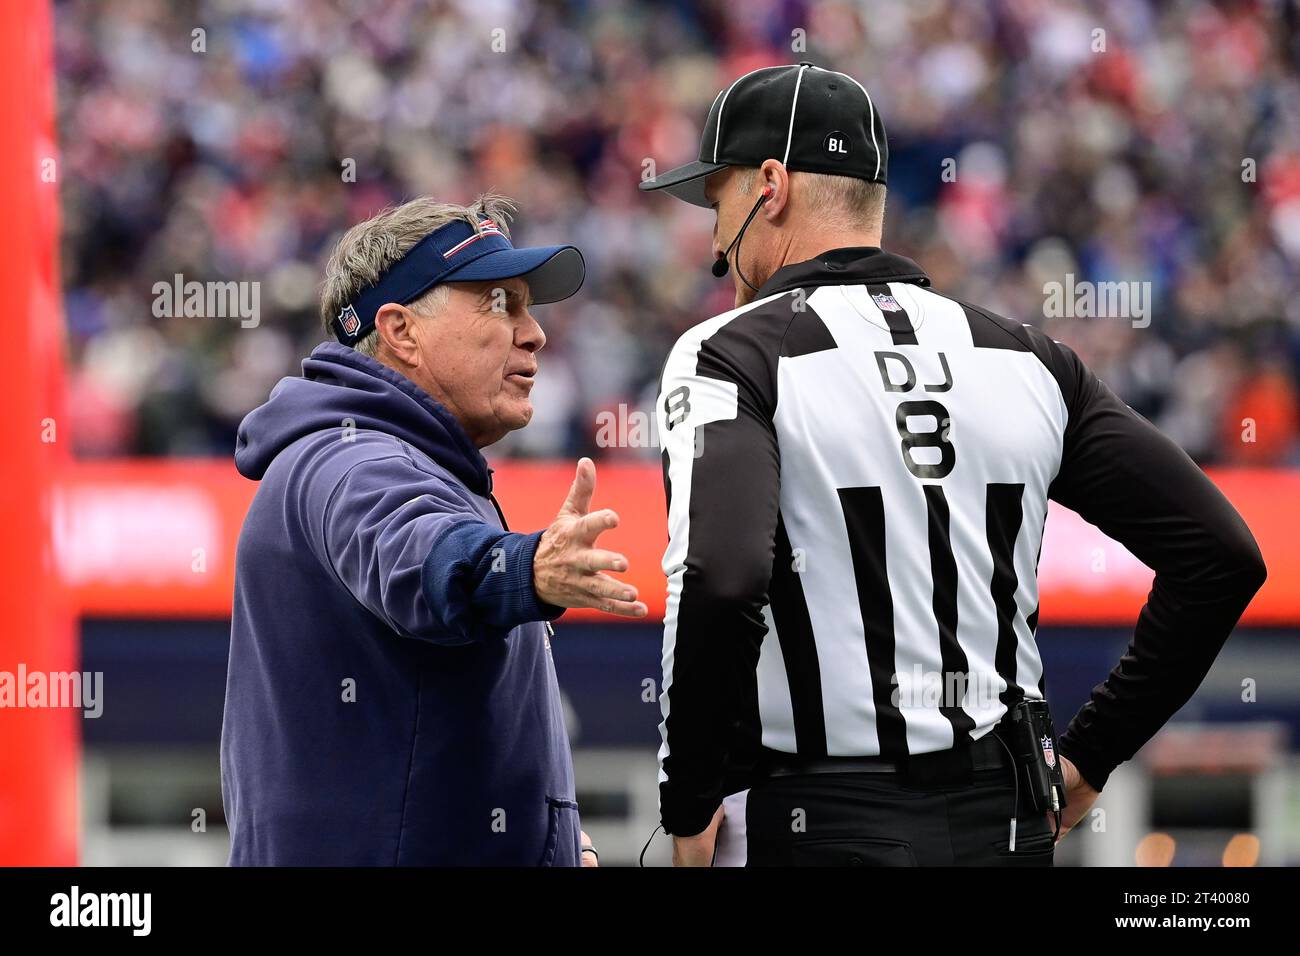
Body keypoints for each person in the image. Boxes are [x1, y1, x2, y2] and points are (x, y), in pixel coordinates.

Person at [639, 63, 1267, 866]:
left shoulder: (729, 354)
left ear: (771, 185)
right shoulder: (1026, 356)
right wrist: (1092, 751)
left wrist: (689, 802)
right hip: (1007, 822)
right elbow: (1221, 555)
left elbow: (721, 581)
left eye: (719, 197)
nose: (713, 231)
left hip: (821, 818)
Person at [220, 194, 646, 865]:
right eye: (500, 303)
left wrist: (556, 843)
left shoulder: (407, 462)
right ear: (401, 330)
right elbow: (420, 559)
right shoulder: (348, 454)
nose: (533, 332)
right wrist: (523, 569)